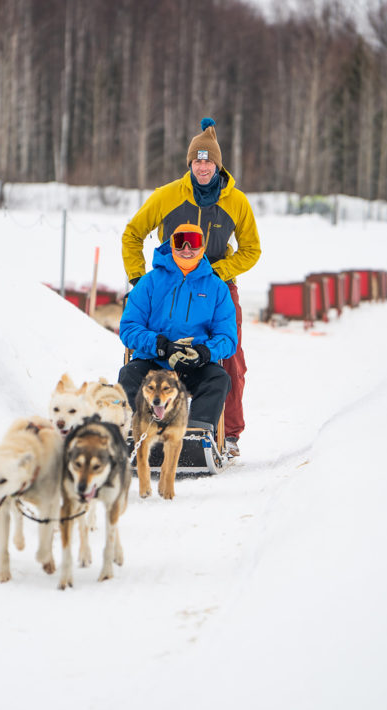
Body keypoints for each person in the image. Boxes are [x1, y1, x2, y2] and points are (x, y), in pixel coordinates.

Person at [121, 117, 260, 457]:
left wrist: (218, 272)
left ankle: (227, 434)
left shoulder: (236, 201)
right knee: (146, 349)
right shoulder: (167, 195)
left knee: (231, 359)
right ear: (190, 164)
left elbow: (252, 249)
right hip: (168, 282)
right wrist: (140, 280)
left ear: (218, 164)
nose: (202, 167)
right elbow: (132, 234)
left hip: (217, 286)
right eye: (197, 161)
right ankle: (136, 426)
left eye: (208, 161)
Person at [118, 223, 237, 434]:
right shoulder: (149, 282)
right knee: (129, 374)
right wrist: (159, 345)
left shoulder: (217, 287)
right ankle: (135, 432)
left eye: (194, 242)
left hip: (195, 363)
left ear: (203, 247)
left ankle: (196, 434)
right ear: (172, 245)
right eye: (181, 242)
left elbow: (227, 337)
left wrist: (204, 352)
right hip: (154, 360)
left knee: (218, 379)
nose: (187, 249)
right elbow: (129, 327)